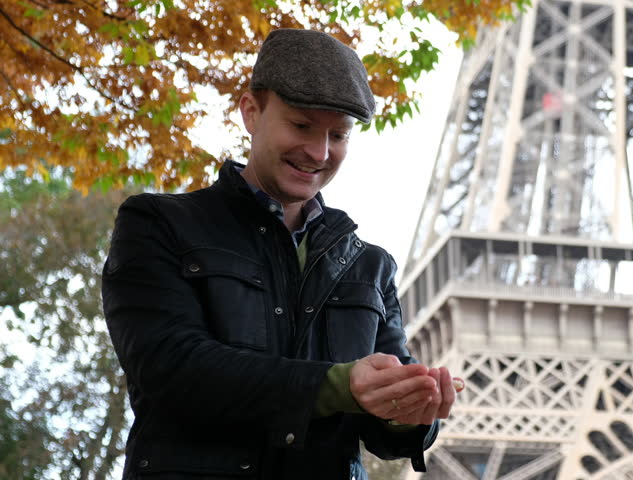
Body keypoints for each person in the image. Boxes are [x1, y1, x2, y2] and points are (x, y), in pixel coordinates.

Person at [102, 28, 460, 479]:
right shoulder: (158, 224)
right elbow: (170, 370)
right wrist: (337, 385)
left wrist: (408, 414)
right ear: (251, 112)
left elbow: (381, 436)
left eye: (339, 135)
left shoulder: (371, 267)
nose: (319, 151)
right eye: (301, 125)